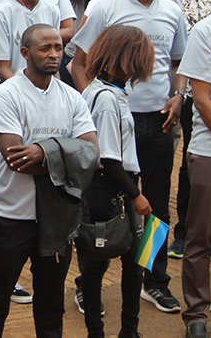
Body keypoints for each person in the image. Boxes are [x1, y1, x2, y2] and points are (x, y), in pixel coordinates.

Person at [72, 0, 187, 315]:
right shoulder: (106, 7)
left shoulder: (173, 11)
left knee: (154, 207)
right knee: (104, 207)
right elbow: (80, 62)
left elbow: (177, 64)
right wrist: (94, 102)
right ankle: (87, 282)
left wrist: (177, 95)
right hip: (113, 121)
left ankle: (152, 279)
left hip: (158, 120)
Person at [0, 24, 98, 337]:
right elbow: (15, 161)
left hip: (57, 217)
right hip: (12, 215)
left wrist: (43, 151)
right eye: (46, 48)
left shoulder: (72, 97)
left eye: (58, 47)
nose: (54, 54)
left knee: (51, 304)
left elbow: (93, 157)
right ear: (26, 53)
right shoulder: (5, 95)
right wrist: (67, 160)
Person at [76, 25, 154, 338]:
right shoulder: (106, 98)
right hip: (111, 191)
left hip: (115, 188)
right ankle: (104, 332)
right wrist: (135, 194)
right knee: (104, 265)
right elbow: (108, 158)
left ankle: (127, 331)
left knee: (131, 262)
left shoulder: (103, 91)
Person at [177, 0, 211, 338]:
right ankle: (197, 314)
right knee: (200, 237)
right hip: (209, 151)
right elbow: (200, 98)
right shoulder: (206, 31)